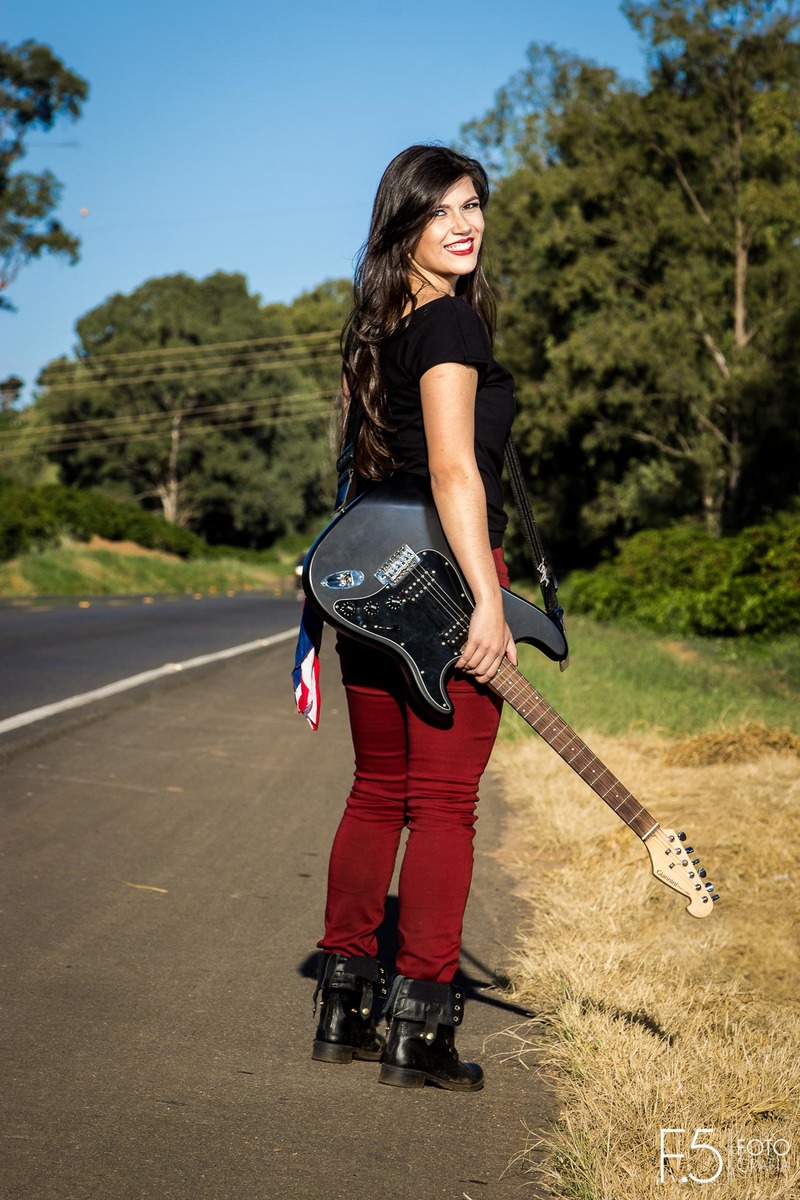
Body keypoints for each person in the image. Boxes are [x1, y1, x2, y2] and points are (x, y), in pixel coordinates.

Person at [311, 144, 517, 1092]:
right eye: (441, 212)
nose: (464, 224)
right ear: (406, 227)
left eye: (473, 205)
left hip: (370, 580)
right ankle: (420, 1029)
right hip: (442, 580)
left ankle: (344, 1003)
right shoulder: (448, 329)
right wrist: (486, 599)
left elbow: (365, 476)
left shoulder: (373, 330)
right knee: (441, 806)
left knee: (374, 793)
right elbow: (451, 470)